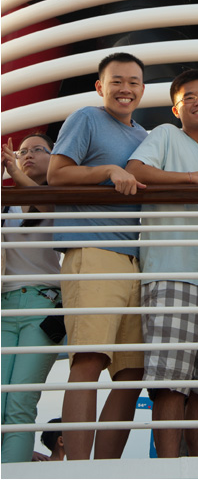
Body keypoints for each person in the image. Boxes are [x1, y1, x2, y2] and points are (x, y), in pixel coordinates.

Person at [47, 51, 149, 460]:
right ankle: (76, 468)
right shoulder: (86, 118)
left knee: (131, 372)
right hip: (92, 252)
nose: (125, 89)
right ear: (100, 86)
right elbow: (56, 173)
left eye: (134, 82)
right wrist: (107, 170)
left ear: (143, 89)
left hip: (135, 261)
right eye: (117, 81)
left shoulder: (144, 137)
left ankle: (106, 468)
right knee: (89, 359)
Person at [124, 69, 198, 457]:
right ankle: (168, 468)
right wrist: (192, 179)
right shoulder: (165, 134)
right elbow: (135, 172)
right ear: (176, 107)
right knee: (169, 383)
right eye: (190, 97)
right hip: (169, 275)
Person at [1, 134, 61, 463]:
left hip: (43, 304)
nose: (28, 155)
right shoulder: (6, 203)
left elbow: (44, 203)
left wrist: (13, 172)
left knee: (20, 404)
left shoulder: (59, 193)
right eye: (22, 151)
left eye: (39, 149)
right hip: (5, 305)